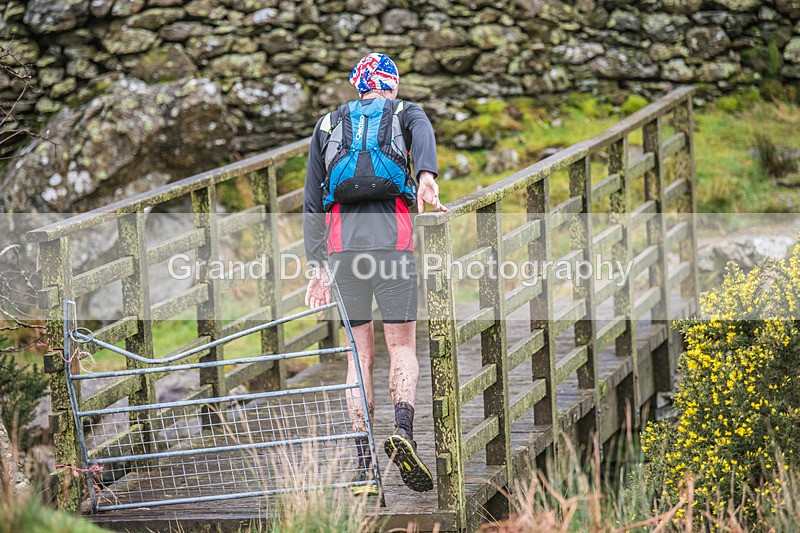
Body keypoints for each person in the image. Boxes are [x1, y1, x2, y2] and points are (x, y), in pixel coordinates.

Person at [302, 52, 447, 494]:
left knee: (357, 356)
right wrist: (426, 177)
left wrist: (317, 265)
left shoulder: (328, 125)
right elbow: (423, 143)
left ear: (359, 87)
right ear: (391, 84)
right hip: (394, 246)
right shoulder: (407, 113)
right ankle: (402, 429)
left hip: (344, 253)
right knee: (401, 346)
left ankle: (365, 467)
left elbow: (312, 199)